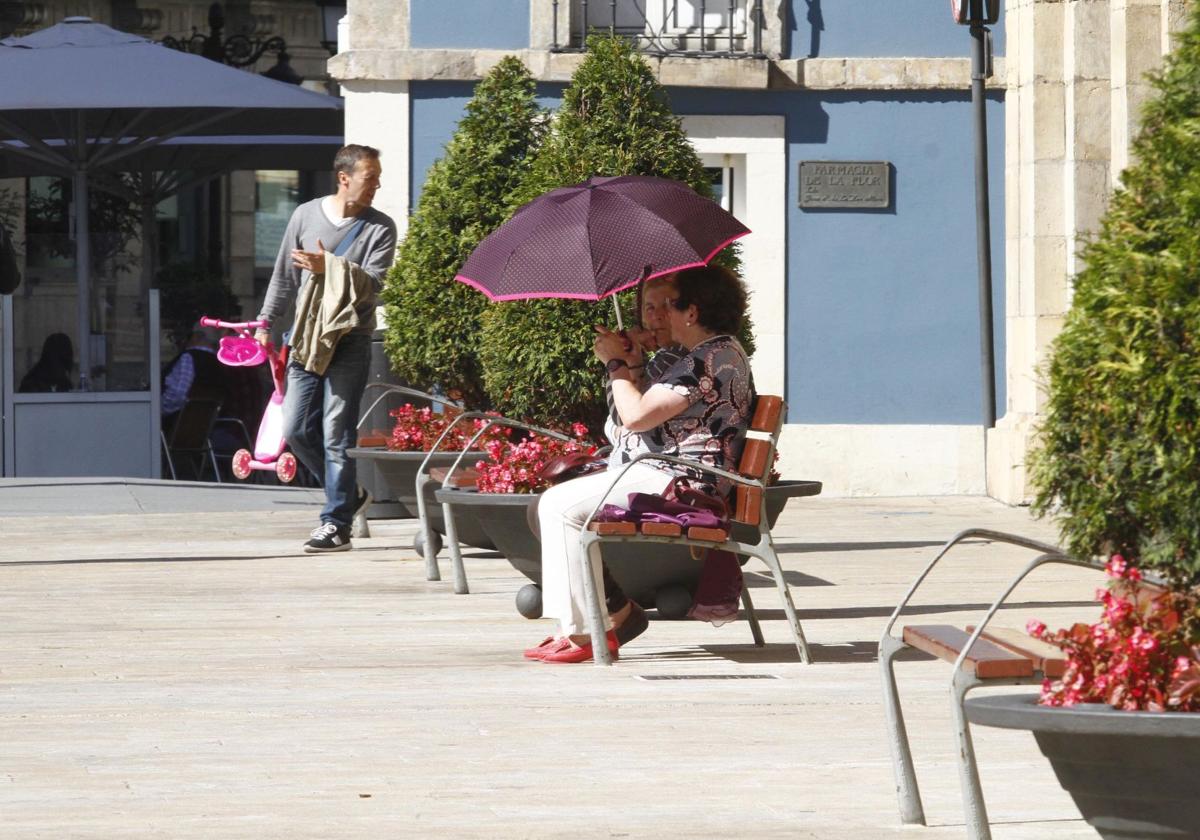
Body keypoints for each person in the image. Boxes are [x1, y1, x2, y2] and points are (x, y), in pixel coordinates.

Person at [527, 264, 755, 664]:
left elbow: (635, 417)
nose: (659, 315)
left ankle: (588, 631)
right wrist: (630, 365)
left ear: (692, 311)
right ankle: (589, 625)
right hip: (667, 472)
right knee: (556, 504)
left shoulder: (710, 359)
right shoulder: (709, 353)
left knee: (559, 507)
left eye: (668, 305)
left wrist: (615, 364)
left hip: (684, 483)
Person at [255, 144, 397, 553]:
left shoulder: (380, 227)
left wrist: (328, 266)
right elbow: (283, 275)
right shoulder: (304, 215)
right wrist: (266, 321)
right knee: (296, 430)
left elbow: (375, 284)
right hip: (303, 339)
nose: (377, 185)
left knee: (336, 433)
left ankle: (335, 524)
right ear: (344, 177)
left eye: (377, 178)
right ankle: (349, 495)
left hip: (349, 338)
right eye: (370, 178)